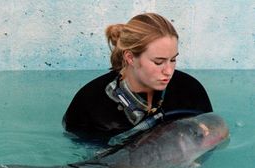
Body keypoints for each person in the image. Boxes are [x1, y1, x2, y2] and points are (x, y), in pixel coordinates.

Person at [63, 13, 213, 143]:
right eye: (158, 62)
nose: (168, 71)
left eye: (173, 60)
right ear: (130, 58)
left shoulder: (190, 91)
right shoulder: (90, 103)